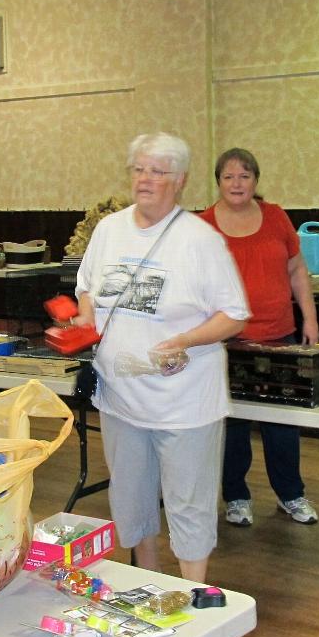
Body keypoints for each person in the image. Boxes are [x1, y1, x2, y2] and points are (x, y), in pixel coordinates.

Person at [72, 133, 249, 584]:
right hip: (121, 396)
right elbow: (87, 286)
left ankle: (193, 594)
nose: (145, 179)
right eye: (139, 169)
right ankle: (148, 585)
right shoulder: (110, 230)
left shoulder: (199, 240)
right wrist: (85, 319)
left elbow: (234, 315)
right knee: (131, 498)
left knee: (188, 502)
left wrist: (185, 340)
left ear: (180, 180)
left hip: (185, 403)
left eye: (158, 171)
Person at [199, 148, 319, 526]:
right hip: (226, 341)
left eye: (245, 176)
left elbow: (297, 270)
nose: (237, 183)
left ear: (256, 181)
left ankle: (291, 495)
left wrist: (310, 319)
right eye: (229, 176)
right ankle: (235, 497)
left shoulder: (276, 217)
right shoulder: (202, 225)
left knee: (282, 422)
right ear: (218, 182)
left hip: (279, 335)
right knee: (232, 422)